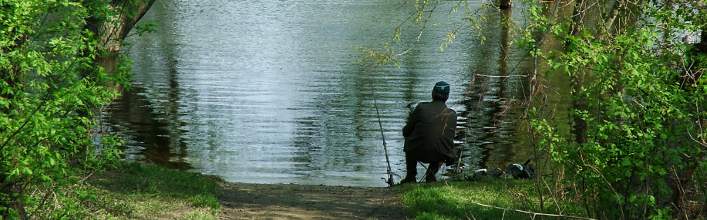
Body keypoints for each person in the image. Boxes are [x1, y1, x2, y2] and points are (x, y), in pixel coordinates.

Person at [401, 81, 457, 183]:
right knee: (443, 145)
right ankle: (431, 174)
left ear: (432, 93)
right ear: (447, 96)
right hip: (441, 154)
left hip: (417, 151)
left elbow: (406, 132)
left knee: (409, 139)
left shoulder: (421, 108)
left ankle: (411, 176)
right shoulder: (453, 114)